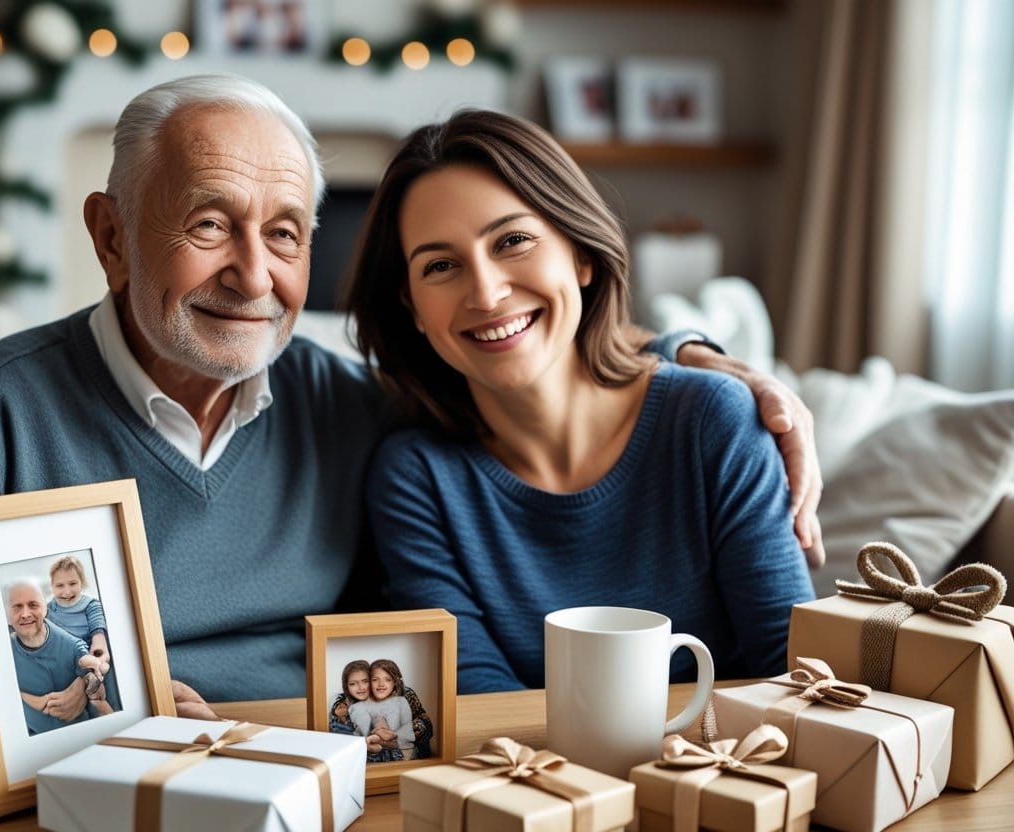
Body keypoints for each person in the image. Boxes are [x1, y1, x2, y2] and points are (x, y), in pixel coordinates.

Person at [0, 73, 820, 775]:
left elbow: (531, 355)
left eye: (283, 234)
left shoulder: (354, 408)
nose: (253, 275)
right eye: (207, 223)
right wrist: (9, 728)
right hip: (87, 776)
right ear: (111, 237)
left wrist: (698, 360)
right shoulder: (4, 408)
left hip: (326, 777)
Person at [344, 109, 817, 693]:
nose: (487, 292)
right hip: (526, 781)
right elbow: (479, 704)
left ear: (582, 254)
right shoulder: (416, 477)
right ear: (412, 308)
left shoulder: (714, 421)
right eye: (440, 266)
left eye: (513, 241)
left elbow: (795, 676)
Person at [5, 579, 111, 735]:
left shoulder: (72, 647)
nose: (25, 614)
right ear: (7, 615)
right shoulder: (3, 651)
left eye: (33, 605)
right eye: (17, 607)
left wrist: (91, 680)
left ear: (45, 609)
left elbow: (96, 689)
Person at [45, 555, 121, 711]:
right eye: (60, 586)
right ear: (52, 587)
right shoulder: (48, 609)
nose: (67, 591)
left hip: (86, 654)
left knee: (94, 676)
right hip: (60, 658)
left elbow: (98, 635)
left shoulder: (90, 605)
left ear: (82, 582)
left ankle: (95, 680)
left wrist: (100, 656)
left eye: (73, 583)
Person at [329, 658, 433, 761]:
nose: (361, 687)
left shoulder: (403, 695)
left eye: (365, 681)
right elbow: (343, 742)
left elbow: (423, 726)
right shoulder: (344, 707)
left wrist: (385, 735)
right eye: (353, 684)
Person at [347, 659, 417, 761]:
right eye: (375, 679)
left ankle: (377, 739)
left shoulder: (400, 702)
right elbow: (357, 733)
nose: (381, 684)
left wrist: (383, 737)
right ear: (369, 682)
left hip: (401, 750)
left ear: (395, 683)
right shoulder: (360, 706)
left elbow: (407, 734)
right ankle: (374, 741)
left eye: (387, 680)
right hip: (371, 749)